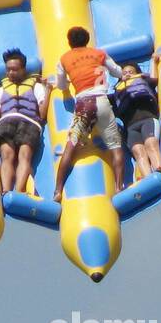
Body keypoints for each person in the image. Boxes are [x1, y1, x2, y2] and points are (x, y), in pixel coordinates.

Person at [51, 26, 126, 202]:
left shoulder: (64, 59)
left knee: (70, 146)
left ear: (69, 42)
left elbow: (61, 85)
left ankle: (57, 190)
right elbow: (118, 72)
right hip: (102, 100)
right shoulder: (99, 53)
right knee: (115, 146)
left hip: (84, 104)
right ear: (87, 40)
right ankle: (119, 187)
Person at [0, 48, 50, 195]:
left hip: (30, 123)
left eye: (15, 70)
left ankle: (20, 189)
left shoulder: (36, 86)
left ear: (23, 69)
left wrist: (48, 90)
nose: (11, 73)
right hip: (6, 122)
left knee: (24, 155)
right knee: (6, 155)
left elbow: (42, 113)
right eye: (8, 70)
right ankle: (6, 191)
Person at [110, 58, 161, 179]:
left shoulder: (143, 80)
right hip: (130, 127)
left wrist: (154, 61)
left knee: (150, 143)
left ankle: (159, 168)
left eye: (131, 72)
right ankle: (149, 179)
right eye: (124, 73)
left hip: (147, 119)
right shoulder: (116, 93)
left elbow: (154, 79)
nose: (127, 74)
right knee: (138, 152)